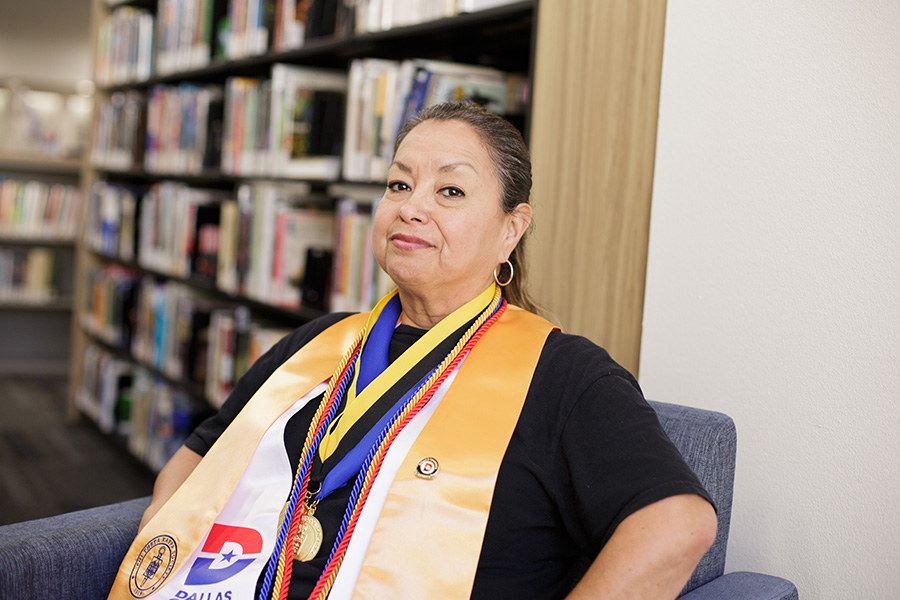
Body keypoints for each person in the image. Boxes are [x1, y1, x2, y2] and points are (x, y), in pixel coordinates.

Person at [109, 101, 717, 600]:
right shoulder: (315, 344)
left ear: (512, 227)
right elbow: (197, 458)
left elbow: (677, 524)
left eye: (450, 191)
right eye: (399, 183)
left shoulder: (563, 375)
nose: (412, 206)